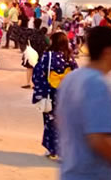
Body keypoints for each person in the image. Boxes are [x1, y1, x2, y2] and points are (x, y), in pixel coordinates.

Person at [57, 26, 111, 179]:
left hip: (70, 170)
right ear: (107, 52)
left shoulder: (72, 78)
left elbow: (62, 120)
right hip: (91, 173)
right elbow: (98, 141)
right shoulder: (97, 84)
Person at [32, 32, 78, 161]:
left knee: (50, 121)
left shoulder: (48, 56)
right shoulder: (69, 57)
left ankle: (52, 149)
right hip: (66, 92)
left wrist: (40, 89)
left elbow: (39, 72)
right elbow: (76, 73)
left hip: (51, 93)